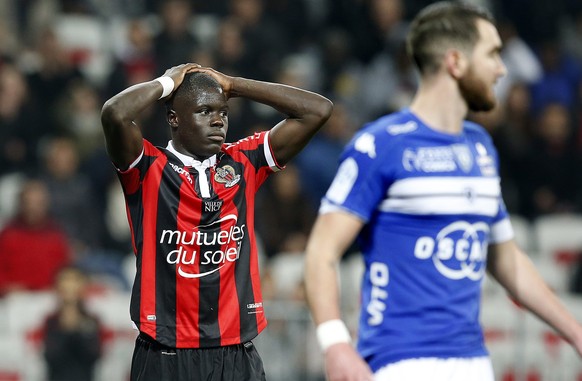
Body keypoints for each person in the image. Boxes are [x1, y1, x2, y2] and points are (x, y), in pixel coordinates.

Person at [303, 2, 582, 381]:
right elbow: (322, 249)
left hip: (473, 360)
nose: (502, 68)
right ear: (456, 61)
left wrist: (577, 333)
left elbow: (507, 260)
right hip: (400, 360)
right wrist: (334, 343)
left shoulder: (480, 145)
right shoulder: (382, 144)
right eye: (492, 54)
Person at [100, 63, 332, 380]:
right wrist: (166, 84)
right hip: (167, 353)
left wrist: (234, 84)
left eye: (223, 112)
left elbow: (317, 110)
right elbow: (115, 113)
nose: (218, 120)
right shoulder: (148, 168)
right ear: (174, 118)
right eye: (204, 111)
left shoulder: (244, 161)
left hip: (236, 352)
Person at [42, 265, 104, 381]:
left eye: (75, 280)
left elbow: (93, 355)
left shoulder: (92, 321)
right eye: (65, 280)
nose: (70, 285)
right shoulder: (51, 321)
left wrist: (78, 326)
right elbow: (51, 356)